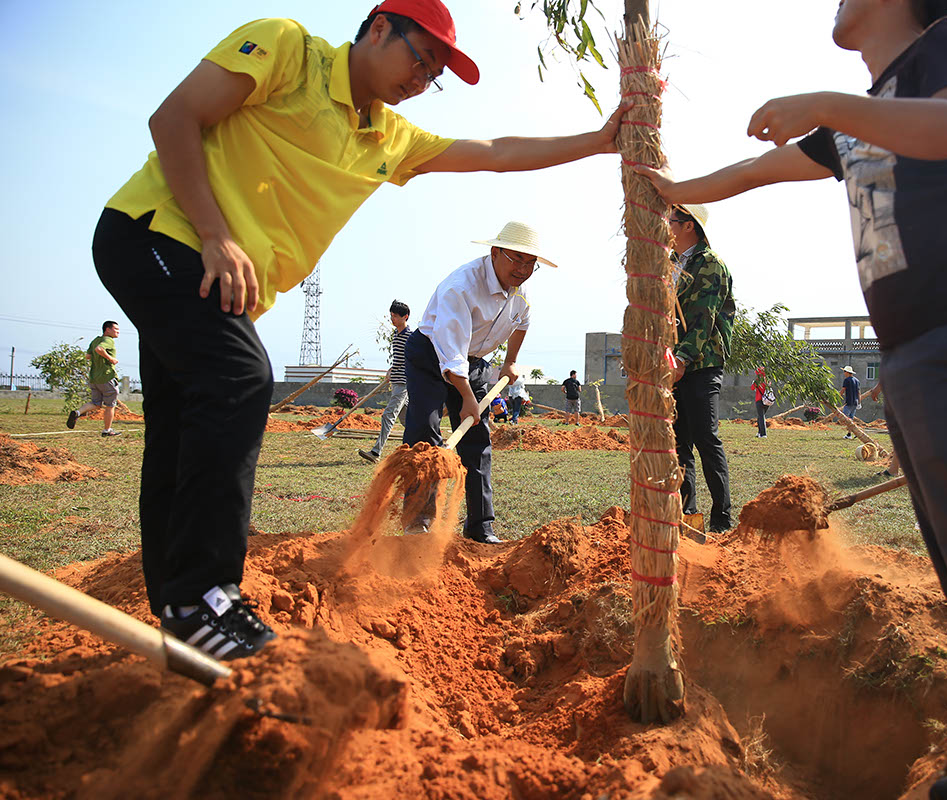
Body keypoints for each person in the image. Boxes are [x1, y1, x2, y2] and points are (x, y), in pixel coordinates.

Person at [634, 1, 947, 797]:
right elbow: (757, 172)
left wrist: (822, 102)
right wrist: (669, 188)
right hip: (922, 353)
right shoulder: (864, 112)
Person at [91, 0, 629, 661]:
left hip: (205, 280)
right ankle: (208, 592)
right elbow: (173, 117)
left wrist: (599, 142)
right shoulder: (287, 50)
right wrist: (214, 233)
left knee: (181, 424)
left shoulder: (390, 138)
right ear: (379, 28)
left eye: (434, 74)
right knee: (240, 378)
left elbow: (495, 153)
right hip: (156, 234)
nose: (422, 79)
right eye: (419, 58)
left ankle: (180, 607)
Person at [402, 221, 554, 543]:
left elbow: (522, 322)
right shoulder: (461, 288)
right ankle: (418, 523)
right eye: (517, 259)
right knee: (424, 431)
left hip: (472, 362)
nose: (524, 269)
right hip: (430, 355)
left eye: (531, 263)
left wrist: (509, 361)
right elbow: (451, 354)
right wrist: (467, 399)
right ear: (495, 252)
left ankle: (480, 527)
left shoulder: (520, 293)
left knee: (477, 438)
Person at [670, 203, 734, 533]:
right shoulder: (669, 265)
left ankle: (722, 519)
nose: (666, 225)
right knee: (679, 442)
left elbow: (703, 318)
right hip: (673, 366)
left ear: (689, 227)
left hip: (702, 362)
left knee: (706, 438)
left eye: (672, 221)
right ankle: (687, 514)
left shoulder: (710, 265)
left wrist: (682, 359)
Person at [359, 300, 411, 464]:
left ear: (405, 317)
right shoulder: (396, 335)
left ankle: (376, 452)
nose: (392, 319)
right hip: (395, 380)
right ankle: (428, 443)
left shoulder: (411, 336)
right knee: (407, 420)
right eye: (391, 315)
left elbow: (411, 360)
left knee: (388, 415)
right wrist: (390, 369)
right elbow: (398, 359)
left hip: (403, 382)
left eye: (395, 316)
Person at [67, 321, 123, 437]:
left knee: (96, 403)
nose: (118, 332)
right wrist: (111, 359)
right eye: (116, 329)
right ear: (107, 329)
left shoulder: (95, 340)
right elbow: (99, 349)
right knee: (110, 405)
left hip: (94, 377)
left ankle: (77, 413)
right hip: (106, 376)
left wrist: (99, 358)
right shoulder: (108, 340)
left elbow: (88, 356)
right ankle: (107, 430)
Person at [840, 365, 861, 438]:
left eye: (844, 371)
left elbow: (843, 390)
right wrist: (859, 402)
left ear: (848, 372)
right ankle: (850, 434)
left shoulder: (847, 380)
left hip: (849, 402)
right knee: (850, 419)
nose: (844, 373)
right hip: (855, 403)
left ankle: (855, 432)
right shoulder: (857, 381)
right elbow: (859, 393)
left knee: (846, 419)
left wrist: (837, 397)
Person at [751, 367, 770, 438]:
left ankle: (763, 434)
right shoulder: (767, 380)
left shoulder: (758, 380)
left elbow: (752, 388)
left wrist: (753, 383)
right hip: (767, 401)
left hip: (759, 400)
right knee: (760, 416)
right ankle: (759, 432)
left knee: (761, 417)